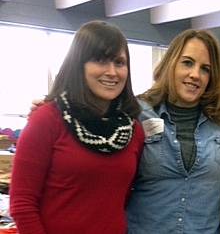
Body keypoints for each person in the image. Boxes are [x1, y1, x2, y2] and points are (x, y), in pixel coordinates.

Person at [9, 20, 145, 234]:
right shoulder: (46, 119)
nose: (112, 71)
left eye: (119, 62)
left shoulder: (133, 131)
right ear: (78, 65)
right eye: (100, 60)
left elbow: (121, 199)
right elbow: (22, 203)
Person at [125, 29, 220, 234]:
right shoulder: (137, 114)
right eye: (187, 62)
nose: (195, 75)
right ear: (170, 63)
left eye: (205, 69)